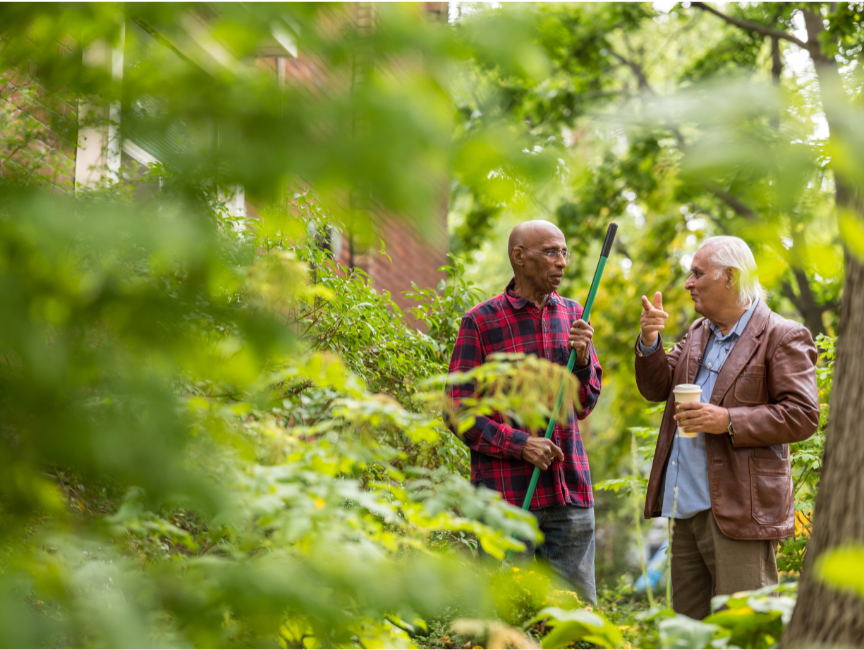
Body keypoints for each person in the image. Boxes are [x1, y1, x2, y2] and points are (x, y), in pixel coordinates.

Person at [635, 236, 819, 619]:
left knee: (743, 628)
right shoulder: (699, 331)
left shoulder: (781, 335)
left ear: (730, 278)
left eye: (698, 273)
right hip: (685, 508)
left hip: (740, 513)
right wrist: (650, 341)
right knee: (690, 632)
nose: (689, 283)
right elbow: (657, 388)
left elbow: (803, 414)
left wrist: (728, 420)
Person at [446, 220, 603, 604]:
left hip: (570, 494)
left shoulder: (573, 315)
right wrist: (520, 445)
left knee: (576, 626)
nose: (562, 262)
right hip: (507, 499)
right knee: (509, 621)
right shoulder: (481, 322)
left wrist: (582, 359)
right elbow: (457, 410)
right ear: (519, 257)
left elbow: (585, 404)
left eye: (564, 252)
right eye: (552, 252)